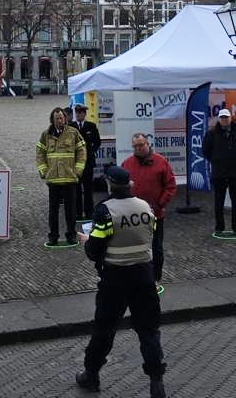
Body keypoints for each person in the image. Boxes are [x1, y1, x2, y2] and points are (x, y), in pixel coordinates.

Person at [75, 166, 166, 398]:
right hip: (144, 276)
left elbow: (95, 251)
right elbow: (155, 243)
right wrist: (155, 275)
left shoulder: (105, 211)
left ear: (109, 185)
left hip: (115, 279)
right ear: (131, 185)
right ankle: (157, 383)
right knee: (149, 331)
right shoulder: (146, 208)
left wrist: (86, 240)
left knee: (104, 330)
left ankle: (91, 375)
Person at [122, 133, 176, 287]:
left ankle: (155, 278)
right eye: (135, 146)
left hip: (155, 215)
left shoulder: (161, 162)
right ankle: (135, 278)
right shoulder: (127, 164)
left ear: (148, 144)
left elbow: (170, 186)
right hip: (133, 218)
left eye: (141, 145)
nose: (138, 148)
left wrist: (160, 204)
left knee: (156, 248)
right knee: (134, 248)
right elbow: (120, 187)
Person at [36, 107, 86, 246]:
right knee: (53, 211)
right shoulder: (46, 135)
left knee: (71, 211)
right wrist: (43, 171)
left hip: (70, 179)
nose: (59, 121)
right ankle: (53, 236)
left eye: (61, 118)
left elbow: (82, 151)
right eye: (56, 118)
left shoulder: (73, 133)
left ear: (65, 119)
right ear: (52, 120)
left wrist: (78, 170)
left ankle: (71, 235)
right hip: (53, 180)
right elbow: (39, 153)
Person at [201, 108, 236, 237]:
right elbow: (205, 151)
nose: (224, 119)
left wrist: (235, 159)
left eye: (226, 117)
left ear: (230, 118)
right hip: (219, 173)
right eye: (222, 117)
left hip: (235, 172)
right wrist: (216, 161)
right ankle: (219, 227)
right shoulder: (211, 134)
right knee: (219, 201)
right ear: (219, 119)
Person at [71, 104, 102, 221]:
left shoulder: (91, 126)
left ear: (85, 114)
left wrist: (91, 151)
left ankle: (89, 212)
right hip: (75, 163)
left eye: (81, 113)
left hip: (88, 162)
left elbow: (97, 142)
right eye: (77, 113)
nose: (79, 115)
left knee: (88, 188)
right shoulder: (71, 127)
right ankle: (78, 212)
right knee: (77, 189)